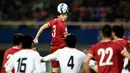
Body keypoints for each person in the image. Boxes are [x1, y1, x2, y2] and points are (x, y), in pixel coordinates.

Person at [33, 3, 69, 73]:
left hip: (53, 49)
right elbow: (68, 39)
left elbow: (42, 27)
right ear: (59, 15)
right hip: (61, 50)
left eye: (66, 15)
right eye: (63, 15)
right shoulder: (63, 25)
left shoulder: (53, 21)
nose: (65, 17)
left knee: (54, 70)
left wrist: (36, 37)